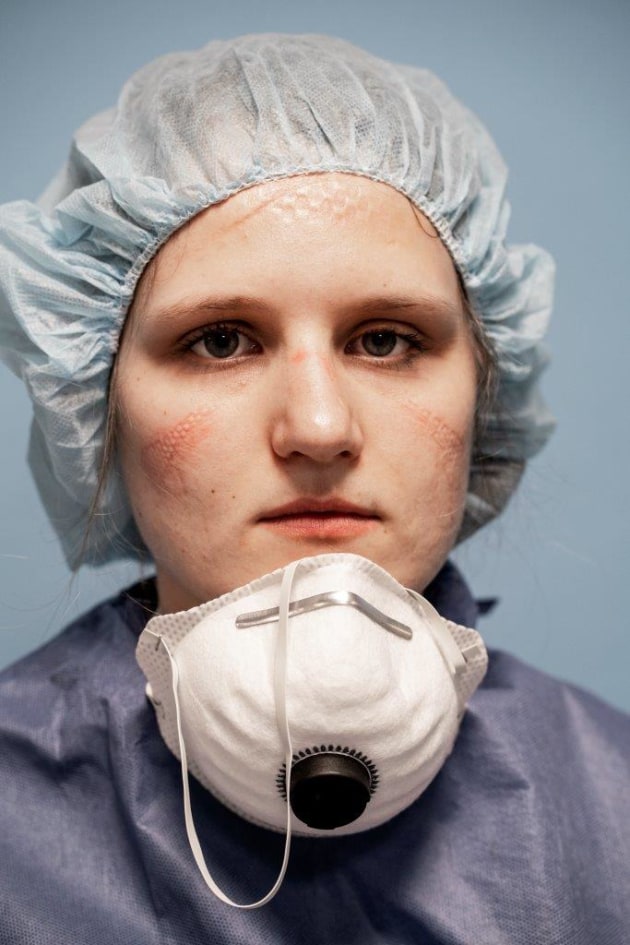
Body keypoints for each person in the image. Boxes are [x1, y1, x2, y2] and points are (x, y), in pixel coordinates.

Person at [0, 33, 627, 944]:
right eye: (220, 340)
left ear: (484, 387)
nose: (320, 428)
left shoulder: (610, 803)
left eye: (385, 339)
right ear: (97, 401)